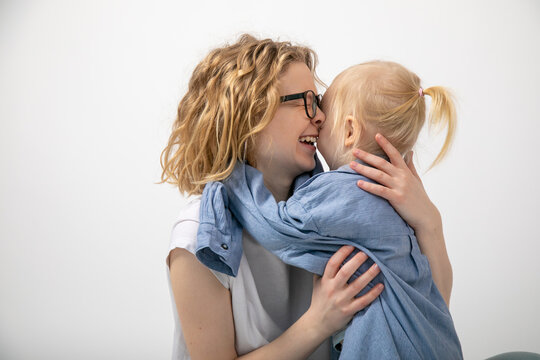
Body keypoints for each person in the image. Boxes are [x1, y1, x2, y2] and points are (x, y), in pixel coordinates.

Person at [161, 34, 453, 359]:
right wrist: (318, 323)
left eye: (320, 103)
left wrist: (429, 222)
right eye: (308, 101)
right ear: (252, 113)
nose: (321, 117)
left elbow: (427, 309)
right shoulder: (198, 236)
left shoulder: (333, 213)